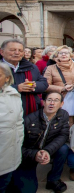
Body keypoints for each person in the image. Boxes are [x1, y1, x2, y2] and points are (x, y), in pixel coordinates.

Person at [9, 92, 69, 193]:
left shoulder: (63, 115)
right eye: (49, 100)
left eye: (56, 100)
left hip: (48, 148)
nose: (52, 103)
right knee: (29, 190)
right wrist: (35, 154)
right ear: (43, 102)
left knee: (64, 148)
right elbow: (15, 146)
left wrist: (47, 150)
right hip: (28, 155)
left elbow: (63, 135)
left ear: (61, 104)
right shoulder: (29, 120)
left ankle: (53, 179)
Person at [0, 39, 48, 115]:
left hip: (30, 111)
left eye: (20, 50)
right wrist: (17, 88)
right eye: (12, 50)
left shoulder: (31, 67)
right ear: (2, 52)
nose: (17, 53)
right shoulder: (1, 68)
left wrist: (34, 85)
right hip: (4, 112)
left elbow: (44, 83)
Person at [44, 45, 74, 126]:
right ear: (57, 55)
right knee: (61, 123)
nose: (63, 55)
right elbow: (45, 85)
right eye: (61, 53)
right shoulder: (50, 68)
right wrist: (62, 88)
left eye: (66, 53)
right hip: (59, 99)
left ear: (70, 55)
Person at [0, 62, 24, 192]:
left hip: (10, 148)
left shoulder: (12, 94)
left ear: (7, 78)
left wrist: (18, 140)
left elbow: (19, 121)